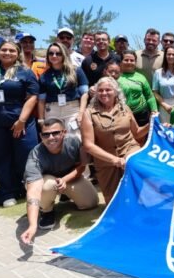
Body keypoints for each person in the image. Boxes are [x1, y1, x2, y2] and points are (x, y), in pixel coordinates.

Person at [0, 40, 39, 208]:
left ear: (17, 53)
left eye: (12, 50)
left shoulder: (25, 71)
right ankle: (7, 191)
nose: (7, 53)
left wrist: (22, 120)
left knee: (27, 153)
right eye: (4, 50)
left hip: (20, 118)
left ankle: (28, 187)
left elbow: (33, 95)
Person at [19, 118, 99, 243]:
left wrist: (65, 179)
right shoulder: (35, 155)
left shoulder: (73, 142)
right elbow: (33, 191)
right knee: (48, 186)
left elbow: (82, 166)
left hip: (68, 178)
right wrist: (32, 226)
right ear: (41, 136)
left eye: (55, 133)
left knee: (91, 202)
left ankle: (65, 195)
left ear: (64, 132)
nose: (50, 137)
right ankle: (46, 211)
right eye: (46, 134)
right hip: (47, 182)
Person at [80, 76, 144, 204]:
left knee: (134, 166)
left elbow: (136, 133)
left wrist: (152, 125)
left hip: (129, 150)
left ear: (116, 91)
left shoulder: (125, 109)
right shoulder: (89, 113)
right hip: (105, 160)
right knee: (112, 201)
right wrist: (114, 160)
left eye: (108, 90)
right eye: (101, 90)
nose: (104, 93)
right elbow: (88, 145)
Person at [37, 42, 89, 137]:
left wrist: (81, 113)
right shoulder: (44, 76)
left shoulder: (76, 70)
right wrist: (41, 119)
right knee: (55, 140)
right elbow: (41, 100)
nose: (54, 56)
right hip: (52, 110)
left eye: (58, 53)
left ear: (64, 54)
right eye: (51, 53)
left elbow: (85, 94)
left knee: (75, 139)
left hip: (72, 110)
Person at [118, 50, 158, 127]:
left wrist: (154, 110)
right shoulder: (115, 77)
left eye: (132, 60)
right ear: (121, 62)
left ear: (135, 62)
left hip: (142, 114)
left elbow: (149, 96)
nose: (129, 62)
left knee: (142, 137)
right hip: (121, 114)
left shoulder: (141, 77)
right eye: (126, 60)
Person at [152, 45, 174, 123]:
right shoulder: (158, 72)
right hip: (164, 107)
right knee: (165, 131)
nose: (171, 56)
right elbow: (155, 92)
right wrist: (164, 105)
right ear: (165, 56)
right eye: (169, 54)